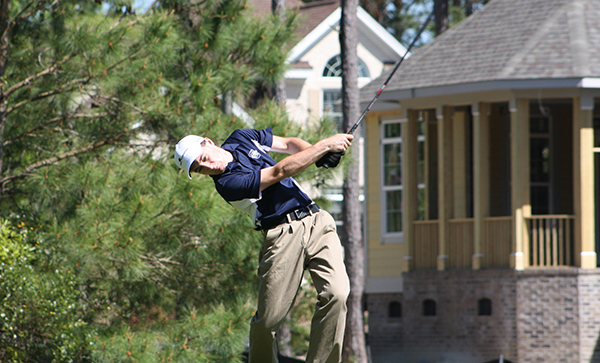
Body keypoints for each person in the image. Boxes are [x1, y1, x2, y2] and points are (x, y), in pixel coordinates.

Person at [174, 127, 353, 363]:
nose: (207, 167)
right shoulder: (227, 184)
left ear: (208, 142)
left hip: (317, 221)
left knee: (337, 294)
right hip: (282, 235)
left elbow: (288, 144)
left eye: (204, 159)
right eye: (199, 169)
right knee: (268, 321)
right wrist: (325, 146)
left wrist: (315, 152)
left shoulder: (240, 137)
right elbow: (280, 171)